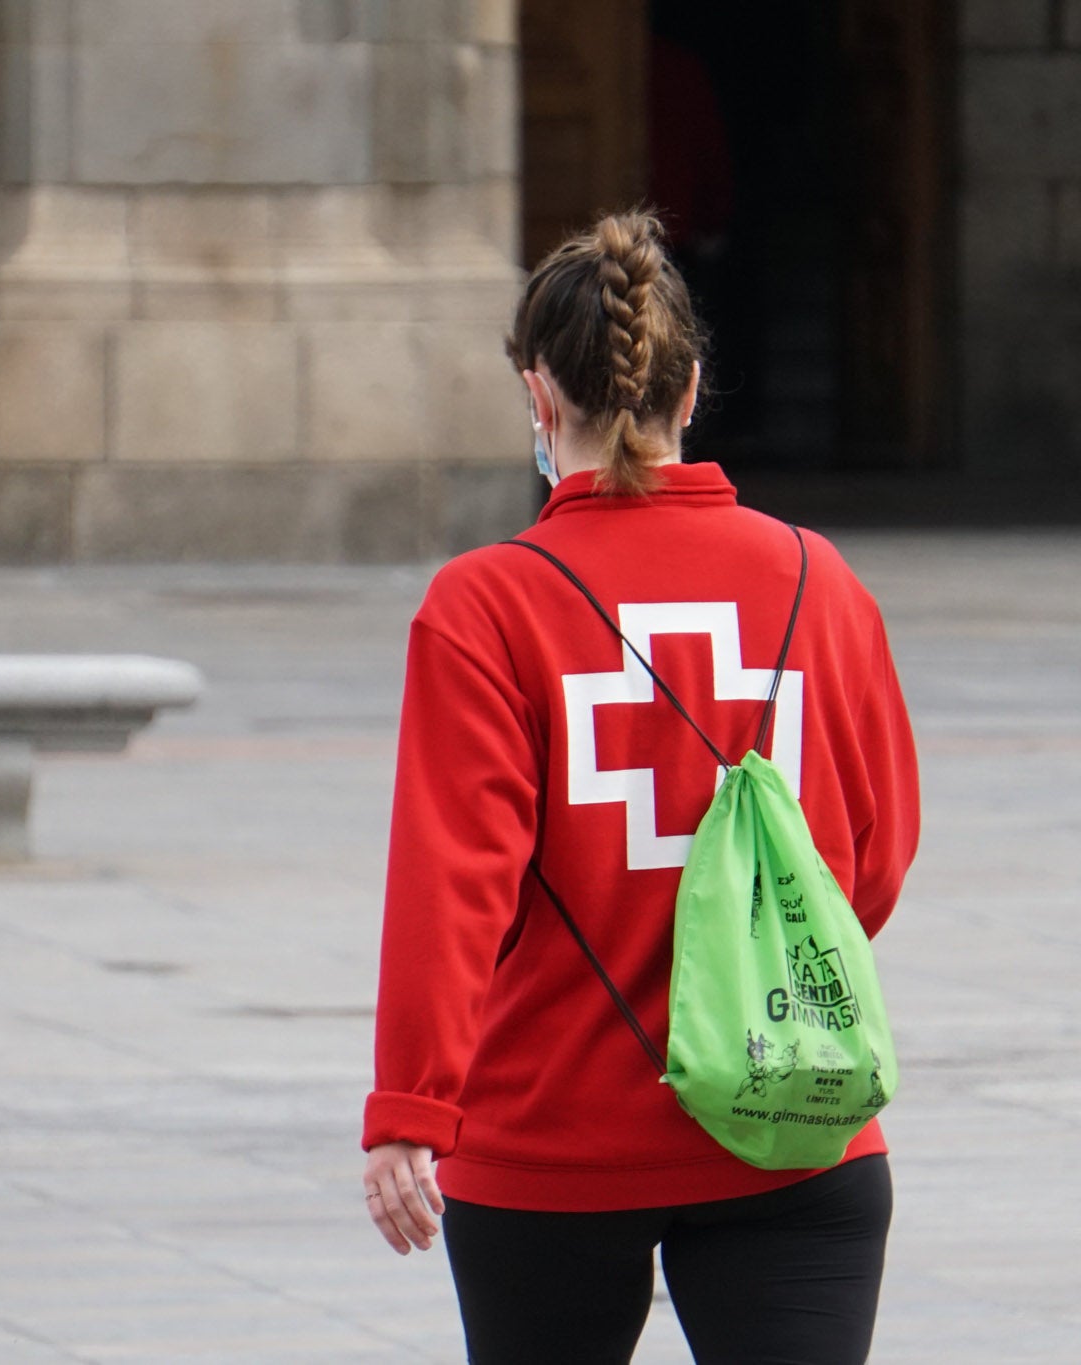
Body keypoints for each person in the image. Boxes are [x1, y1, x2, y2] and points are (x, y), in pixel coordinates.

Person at [359, 210, 919, 1365]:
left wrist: (410, 1106)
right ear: (691, 385)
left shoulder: (485, 604)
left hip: (552, 1140)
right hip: (791, 1123)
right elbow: (870, 862)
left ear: (535, 395)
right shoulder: (819, 578)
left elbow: (452, 883)